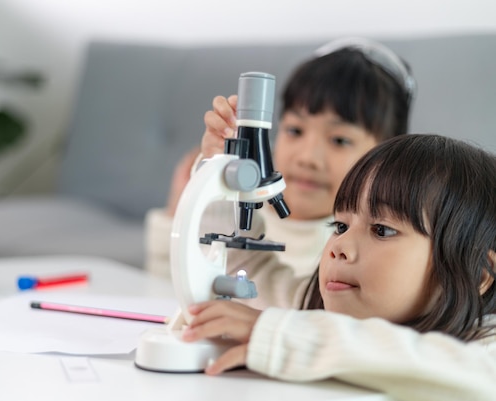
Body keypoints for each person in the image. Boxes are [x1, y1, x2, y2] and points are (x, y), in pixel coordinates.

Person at [181, 134, 496, 401]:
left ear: (476, 274)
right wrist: (220, 177)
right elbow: (244, 267)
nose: (339, 248)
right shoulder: (315, 314)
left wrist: (283, 336)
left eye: (382, 230)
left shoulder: (484, 348)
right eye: (341, 225)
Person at [145, 37, 415, 279]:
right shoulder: (240, 212)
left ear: (385, 158)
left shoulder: (360, 249)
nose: (307, 158)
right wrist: (184, 203)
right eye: (295, 130)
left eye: (339, 140)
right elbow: (163, 278)